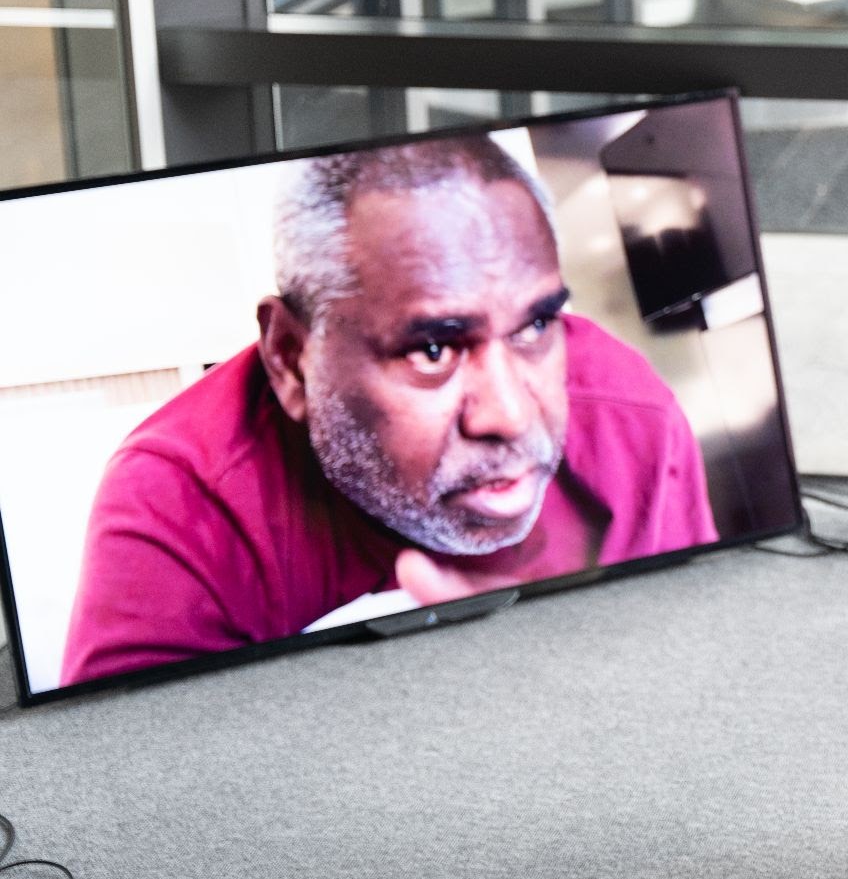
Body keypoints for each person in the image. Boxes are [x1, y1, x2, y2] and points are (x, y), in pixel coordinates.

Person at [63, 135, 719, 687]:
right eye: (432, 348)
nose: (512, 416)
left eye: (535, 325)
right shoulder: (181, 501)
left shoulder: (634, 417)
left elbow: (685, 653)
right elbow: (134, 782)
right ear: (292, 357)